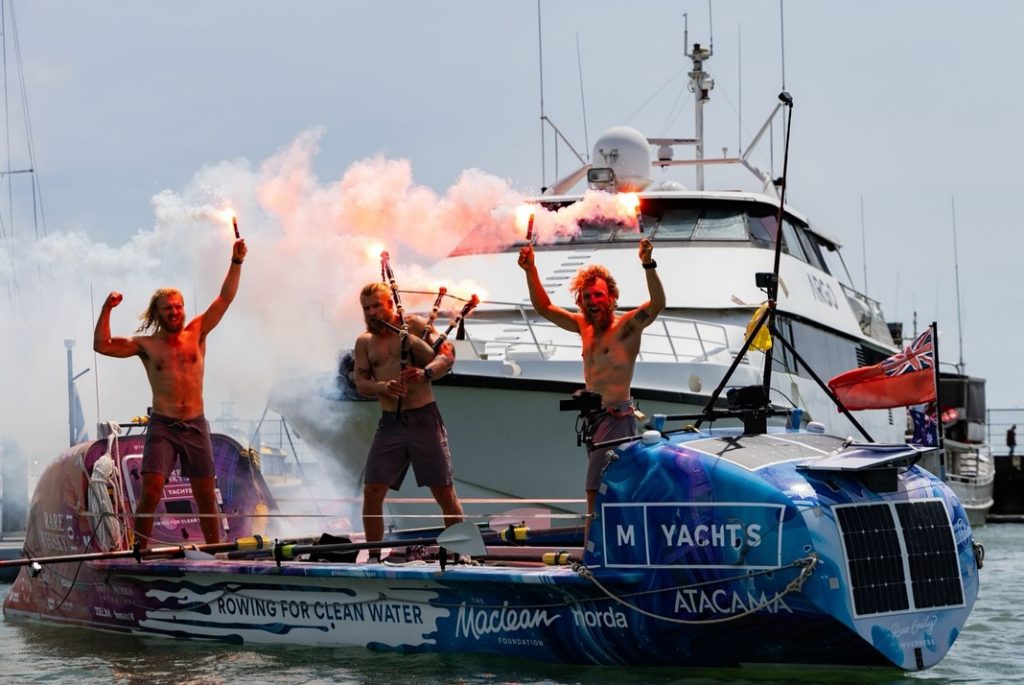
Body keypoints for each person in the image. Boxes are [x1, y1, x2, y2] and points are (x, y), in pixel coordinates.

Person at [93, 238, 247, 549]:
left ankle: (214, 550)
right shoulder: (147, 345)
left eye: (178, 307)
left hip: (195, 424)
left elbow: (225, 298)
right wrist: (107, 308)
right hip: (163, 426)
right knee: (151, 490)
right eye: (169, 309)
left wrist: (236, 261)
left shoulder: (197, 332)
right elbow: (102, 345)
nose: (175, 312)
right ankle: (141, 550)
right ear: (158, 313)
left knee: (206, 493)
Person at [518, 238, 665, 529]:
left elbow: (657, 304)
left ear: (611, 297)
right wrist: (530, 269)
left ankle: (591, 550)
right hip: (594, 421)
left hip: (617, 418)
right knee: (610, 493)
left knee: (594, 494)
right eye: (587, 297)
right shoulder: (582, 326)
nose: (593, 302)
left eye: (598, 295)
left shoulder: (627, 327)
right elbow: (544, 307)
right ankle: (614, 544)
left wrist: (648, 264)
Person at [353, 282, 464, 555]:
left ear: (390, 304)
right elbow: (361, 382)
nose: (371, 313)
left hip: (424, 419)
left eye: (376, 306)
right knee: (372, 490)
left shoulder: (413, 326)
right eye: (366, 308)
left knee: (444, 491)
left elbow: (447, 355)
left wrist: (425, 372)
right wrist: (383, 387)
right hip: (390, 422)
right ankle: (375, 557)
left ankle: (459, 553)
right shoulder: (364, 342)